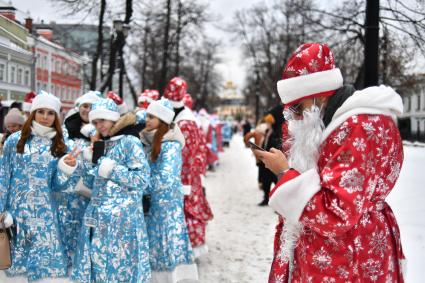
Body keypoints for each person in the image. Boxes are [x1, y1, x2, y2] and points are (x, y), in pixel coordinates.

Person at [254, 43, 405, 282]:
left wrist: (285, 173)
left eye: (296, 106)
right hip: (341, 253)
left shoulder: (356, 128)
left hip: (348, 258)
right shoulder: (336, 124)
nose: (292, 116)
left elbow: (337, 213)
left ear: (319, 97)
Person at [0, 91, 79, 282]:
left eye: (50, 113)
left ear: (56, 116)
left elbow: (58, 187)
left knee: (44, 274)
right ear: (33, 113)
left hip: (46, 220)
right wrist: (1, 210)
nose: (45, 117)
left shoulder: (61, 144)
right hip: (16, 217)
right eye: (40, 111)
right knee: (16, 271)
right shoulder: (15, 140)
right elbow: (3, 176)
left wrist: (66, 170)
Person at [71, 98, 151, 283]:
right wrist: (84, 163)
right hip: (99, 220)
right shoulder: (103, 144)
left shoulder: (130, 142)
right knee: (100, 267)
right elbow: (94, 183)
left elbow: (141, 179)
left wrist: (110, 168)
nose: (99, 126)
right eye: (95, 122)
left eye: (103, 121)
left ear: (114, 119)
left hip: (124, 222)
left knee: (121, 267)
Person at [140, 98, 198, 283]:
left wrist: (138, 185)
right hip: (152, 205)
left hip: (165, 208)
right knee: (154, 247)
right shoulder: (149, 141)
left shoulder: (171, 144)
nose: (147, 120)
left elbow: (166, 178)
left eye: (152, 117)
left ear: (163, 121)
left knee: (165, 247)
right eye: (147, 116)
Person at [163, 77, 213, 258]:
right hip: (177, 176)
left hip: (186, 177)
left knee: (187, 211)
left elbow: (188, 155)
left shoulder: (187, 123)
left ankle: (188, 250)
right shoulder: (181, 118)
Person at [57, 90, 101, 267]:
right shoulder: (67, 128)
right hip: (69, 193)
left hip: (92, 193)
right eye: (84, 105)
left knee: (90, 232)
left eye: (91, 106)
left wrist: (95, 139)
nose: (87, 109)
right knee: (69, 229)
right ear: (78, 107)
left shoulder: (103, 130)